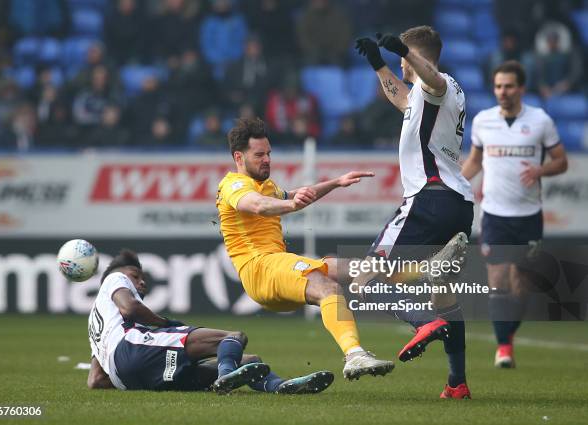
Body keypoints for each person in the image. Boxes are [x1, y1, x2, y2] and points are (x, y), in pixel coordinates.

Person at [216, 117, 394, 380]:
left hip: (275, 265)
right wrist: (292, 206)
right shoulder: (234, 185)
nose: (266, 159)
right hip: (261, 268)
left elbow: (295, 194)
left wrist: (335, 182)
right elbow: (257, 205)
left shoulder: (266, 185)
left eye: (269, 154)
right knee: (328, 288)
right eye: (259, 155)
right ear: (239, 157)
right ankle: (354, 355)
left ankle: (423, 275)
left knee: (355, 267)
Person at [354, 26, 474, 399]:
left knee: (363, 282)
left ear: (416, 54)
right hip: (459, 205)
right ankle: (457, 383)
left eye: (404, 59)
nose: (401, 66)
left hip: (427, 199)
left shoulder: (438, 84)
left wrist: (403, 50)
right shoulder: (432, 95)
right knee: (446, 295)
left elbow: (430, 78)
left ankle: (423, 322)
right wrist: (378, 64)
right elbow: (404, 100)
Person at [87, 249, 334, 394]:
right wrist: (164, 323)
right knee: (233, 337)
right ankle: (226, 375)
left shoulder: (97, 322)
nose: (141, 282)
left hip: (132, 377)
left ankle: (280, 386)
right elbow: (131, 308)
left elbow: (95, 381)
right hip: (134, 350)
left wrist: (129, 378)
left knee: (250, 362)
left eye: (142, 277)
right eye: (136, 276)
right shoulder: (114, 279)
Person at [461, 60, 568, 369]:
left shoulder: (540, 121)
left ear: (521, 88)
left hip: (529, 215)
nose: (502, 92)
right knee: (498, 281)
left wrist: (541, 169)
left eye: (508, 86)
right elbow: (475, 161)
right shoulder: (483, 121)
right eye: (498, 86)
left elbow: (561, 162)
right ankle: (504, 346)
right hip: (494, 214)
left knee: (520, 284)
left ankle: (507, 336)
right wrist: (454, 183)